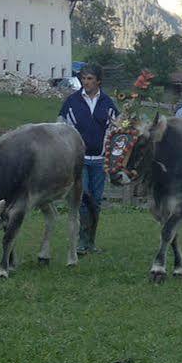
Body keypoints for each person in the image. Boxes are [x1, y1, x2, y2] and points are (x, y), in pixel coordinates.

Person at [59, 64, 117, 253]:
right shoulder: (71, 102)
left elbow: (116, 129)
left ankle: (91, 242)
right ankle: (82, 242)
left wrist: (111, 155)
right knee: (83, 199)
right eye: (83, 78)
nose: (86, 82)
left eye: (90, 78)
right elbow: (62, 128)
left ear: (98, 81)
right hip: (79, 160)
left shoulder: (108, 103)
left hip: (100, 160)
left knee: (97, 201)